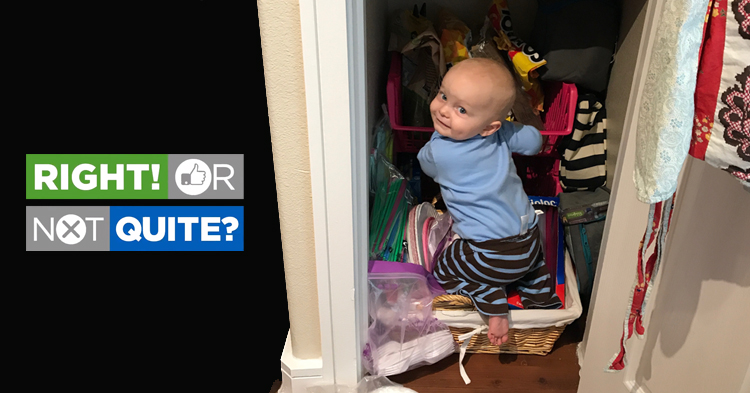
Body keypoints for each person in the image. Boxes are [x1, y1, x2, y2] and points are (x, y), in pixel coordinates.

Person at [417, 58, 561, 345]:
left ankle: (491, 302)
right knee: (531, 268)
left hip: (492, 254)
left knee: (444, 265)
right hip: (530, 242)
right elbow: (534, 142)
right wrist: (506, 129)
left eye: (461, 109)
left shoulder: (441, 152)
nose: (444, 111)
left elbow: (425, 165)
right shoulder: (498, 132)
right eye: (444, 95)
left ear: (487, 127)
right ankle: (544, 302)